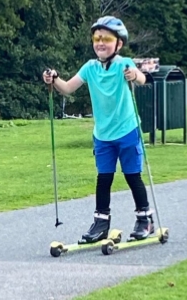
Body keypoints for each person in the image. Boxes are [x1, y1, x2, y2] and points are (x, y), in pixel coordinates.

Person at [42, 16, 155, 243]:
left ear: (118, 43)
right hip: (102, 135)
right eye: (96, 38)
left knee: (133, 176)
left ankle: (145, 219)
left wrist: (135, 75)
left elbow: (144, 79)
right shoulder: (90, 67)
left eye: (106, 38)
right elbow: (67, 88)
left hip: (127, 130)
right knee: (104, 179)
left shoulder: (125, 64)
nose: (100, 43)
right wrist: (53, 79)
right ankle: (101, 223)